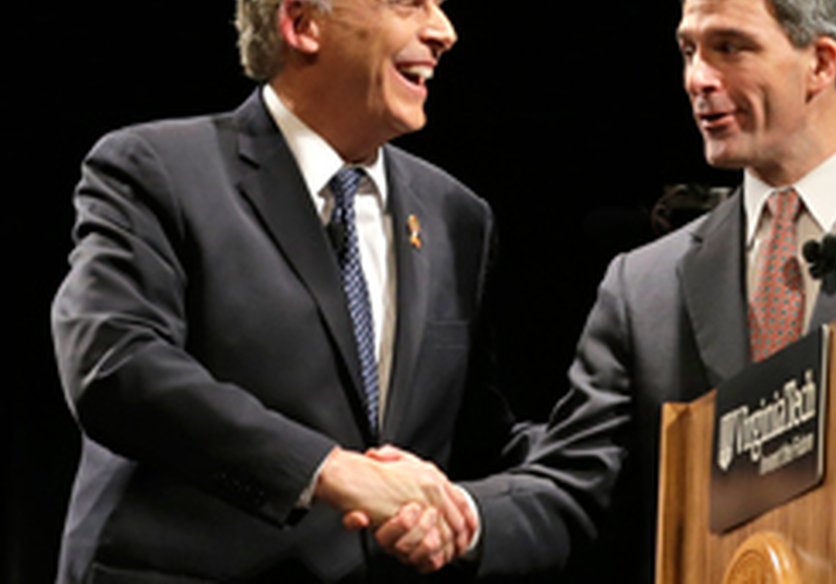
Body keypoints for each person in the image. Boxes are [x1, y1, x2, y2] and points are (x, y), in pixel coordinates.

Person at [381, 0, 836, 581]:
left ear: (820, 62)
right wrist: (458, 511)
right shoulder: (644, 287)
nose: (698, 79)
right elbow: (573, 484)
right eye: (689, 50)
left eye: (730, 47)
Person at [51, 0, 521, 581]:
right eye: (408, 3)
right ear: (301, 24)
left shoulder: (457, 216)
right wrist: (326, 470)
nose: (443, 31)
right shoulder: (157, 170)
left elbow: (481, 434)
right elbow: (115, 365)